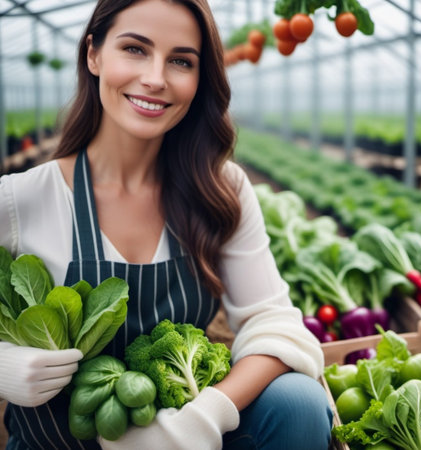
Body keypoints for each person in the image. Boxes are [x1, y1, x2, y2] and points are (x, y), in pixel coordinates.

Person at [0, 0, 333, 448]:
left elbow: (276, 325)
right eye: (135, 49)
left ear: (200, 79)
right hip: (57, 442)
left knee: (298, 403)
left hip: (193, 438)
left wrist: (197, 421)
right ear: (93, 54)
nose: (156, 78)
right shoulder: (20, 198)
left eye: (181, 60)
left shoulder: (220, 189)